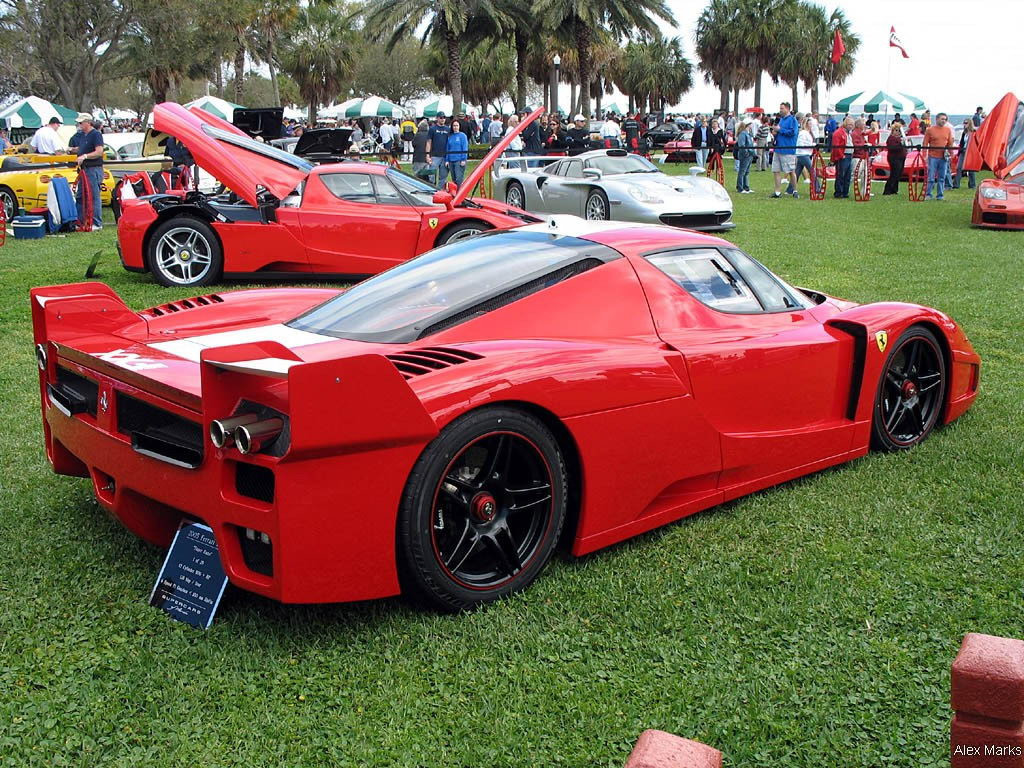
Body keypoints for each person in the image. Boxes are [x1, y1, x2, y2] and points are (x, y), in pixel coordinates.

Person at [73, 112, 104, 230]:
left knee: (94, 196)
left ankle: (97, 223)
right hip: (84, 170)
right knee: (80, 196)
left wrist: (85, 156)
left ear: (88, 122)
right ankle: (80, 221)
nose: (79, 125)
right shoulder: (83, 136)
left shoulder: (96, 135)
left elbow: (99, 151)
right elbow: (82, 149)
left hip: (93, 169)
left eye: (81, 123)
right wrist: (73, 150)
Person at [923, 112, 954, 200]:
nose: (944, 121)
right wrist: (924, 155)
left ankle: (940, 195)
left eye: (945, 119)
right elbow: (925, 143)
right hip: (933, 156)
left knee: (942, 177)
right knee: (931, 177)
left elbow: (950, 144)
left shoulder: (948, 130)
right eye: (942, 119)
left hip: (943, 157)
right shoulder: (930, 130)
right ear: (937, 119)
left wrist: (951, 154)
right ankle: (928, 194)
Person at [771, 102, 799, 198]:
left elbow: (792, 132)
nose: (780, 110)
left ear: (787, 109)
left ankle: (795, 191)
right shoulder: (781, 120)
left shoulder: (793, 120)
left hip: (788, 149)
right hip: (778, 149)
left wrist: (780, 130)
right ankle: (777, 192)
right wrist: (775, 132)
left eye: (782, 108)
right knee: (776, 170)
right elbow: (779, 130)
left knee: (791, 171)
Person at [831, 116, 853, 198]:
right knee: (841, 175)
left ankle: (845, 192)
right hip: (843, 157)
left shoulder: (848, 133)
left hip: (849, 155)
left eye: (852, 125)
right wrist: (841, 155)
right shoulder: (838, 133)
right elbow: (836, 146)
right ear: (845, 124)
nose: (851, 126)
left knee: (847, 176)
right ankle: (838, 192)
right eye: (850, 124)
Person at [882, 122, 907, 195]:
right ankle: (887, 190)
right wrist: (900, 143)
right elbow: (893, 147)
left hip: (901, 158)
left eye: (899, 130)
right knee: (894, 174)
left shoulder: (900, 139)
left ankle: (894, 189)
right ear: (892, 131)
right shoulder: (891, 138)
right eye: (896, 130)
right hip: (894, 158)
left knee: (899, 174)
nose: (897, 132)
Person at [428, 112, 451, 185]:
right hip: (435, 156)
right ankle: (431, 191)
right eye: (441, 118)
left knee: (443, 177)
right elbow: (429, 142)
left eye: (444, 117)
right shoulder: (432, 129)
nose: (442, 119)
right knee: (431, 176)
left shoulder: (448, 129)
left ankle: (440, 192)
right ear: (437, 118)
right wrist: (427, 155)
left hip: (445, 156)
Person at [953, 119, 977, 189]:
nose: (964, 124)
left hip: (970, 152)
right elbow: (961, 142)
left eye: (966, 123)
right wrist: (959, 151)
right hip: (963, 151)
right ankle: (956, 185)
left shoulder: (974, 132)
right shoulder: (964, 132)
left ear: (970, 123)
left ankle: (972, 185)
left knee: (971, 169)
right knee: (959, 168)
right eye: (964, 123)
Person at [445, 119, 469, 186]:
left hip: (459, 160)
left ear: (459, 126)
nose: (455, 127)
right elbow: (447, 148)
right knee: (454, 178)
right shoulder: (450, 136)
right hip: (451, 160)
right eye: (454, 126)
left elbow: (465, 148)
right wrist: (447, 160)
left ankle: (460, 192)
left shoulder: (462, 136)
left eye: (457, 125)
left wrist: (463, 159)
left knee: (459, 178)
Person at [735, 121, 755, 194]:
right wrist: (746, 152)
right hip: (745, 155)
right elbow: (742, 145)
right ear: (748, 125)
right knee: (742, 171)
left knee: (746, 172)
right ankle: (740, 188)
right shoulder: (743, 134)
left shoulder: (748, 133)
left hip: (750, 154)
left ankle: (746, 187)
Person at [795, 117, 815, 186]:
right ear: (806, 124)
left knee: (797, 172)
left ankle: (790, 189)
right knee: (812, 171)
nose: (811, 125)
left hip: (804, 154)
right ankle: (817, 187)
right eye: (810, 124)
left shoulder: (808, 133)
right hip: (803, 154)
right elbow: (801, 144)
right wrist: (811, 145)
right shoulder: (803, 133)